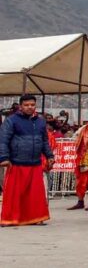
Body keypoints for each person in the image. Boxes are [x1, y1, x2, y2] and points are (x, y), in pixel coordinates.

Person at [0, 94, 54, 226]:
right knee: (14, 194)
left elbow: (45, 141)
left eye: (32, 105)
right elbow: (3, 140)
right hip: (16, 162)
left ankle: (35, 218)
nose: (30, 107)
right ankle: (10, 219)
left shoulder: (41, 121)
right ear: (20, 106)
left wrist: (50, 156)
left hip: (35, 162)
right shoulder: (11, 120)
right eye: (26, 105)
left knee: (35, 194)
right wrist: (4, 157)